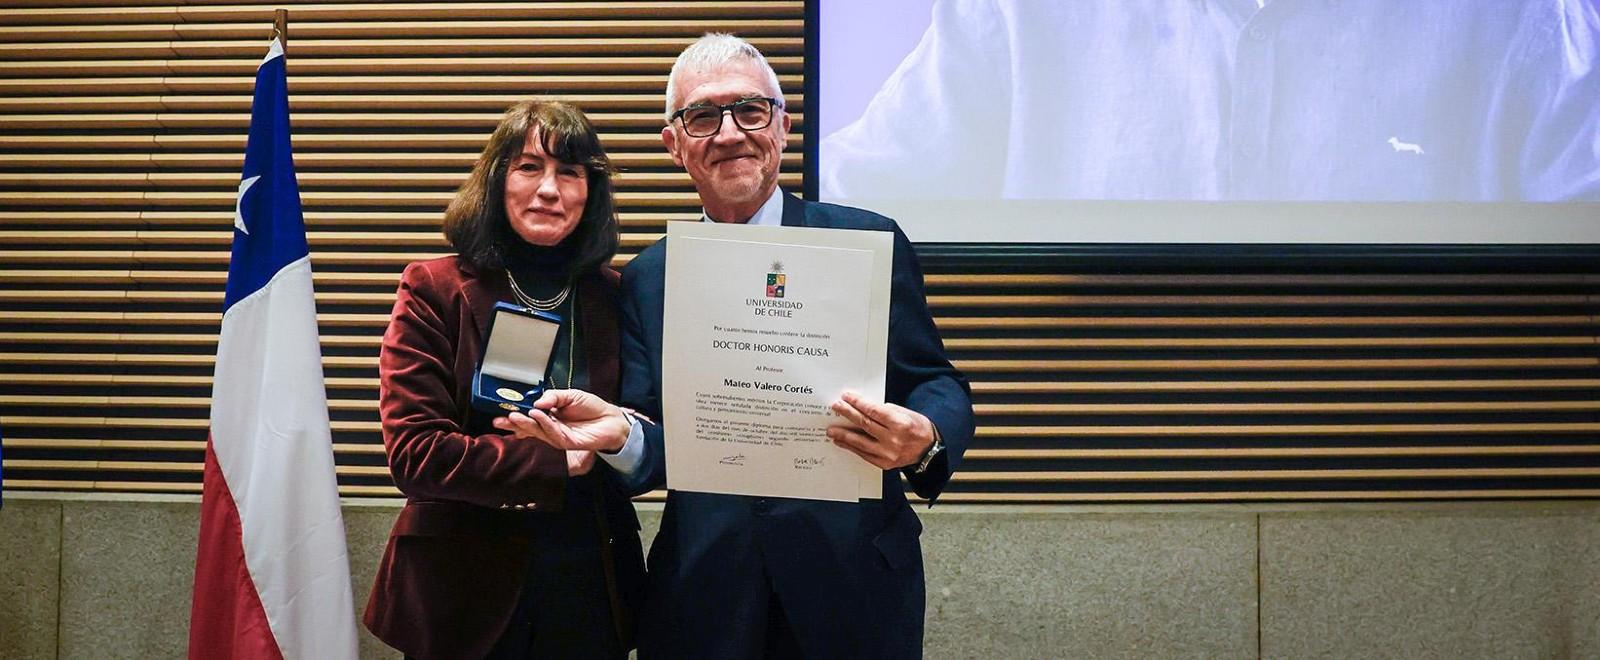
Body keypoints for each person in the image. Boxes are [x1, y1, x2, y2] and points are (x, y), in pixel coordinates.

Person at [532, 34, 976, 658]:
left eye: (751, 110)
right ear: (675, 144)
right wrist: (620, 437)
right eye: (703, 117)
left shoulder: (868, 243)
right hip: (705, 595)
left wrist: (925, 434)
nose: (731, 132)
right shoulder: (646, 279)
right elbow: (656, 437)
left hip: (853, 588)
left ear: (783, 125)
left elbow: (936, 380)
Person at [363, 99, 645, 659]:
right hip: (463, 590)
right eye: (528, 167)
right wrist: (556, 460)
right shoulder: (434, 289)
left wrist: (616, 440)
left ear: (591, 192)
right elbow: (415, 453)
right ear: (497, 180)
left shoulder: (617, 295)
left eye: (569, 171)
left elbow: (648, 427)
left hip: (591, 582)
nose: (549, 189)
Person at [820, 0, 1600, 202]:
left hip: (1428, 471)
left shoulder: (1522, 18)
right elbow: (853, 200)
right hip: (1085, 461)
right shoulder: (1013, 16)